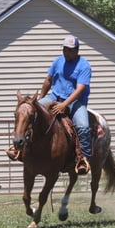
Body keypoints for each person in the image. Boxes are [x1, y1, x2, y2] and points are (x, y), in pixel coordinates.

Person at [37, 35, 92, 175]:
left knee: (83, 126)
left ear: (77, 50)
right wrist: (39, 101)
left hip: (75, 102)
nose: (67, 52)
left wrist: (64, 105)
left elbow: (80, 89)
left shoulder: (84, 66)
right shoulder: (58, 61)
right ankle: (21, 147)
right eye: (65, 49)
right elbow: (48, 80)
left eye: (71, 50)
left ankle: (83, 159)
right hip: (54, 96)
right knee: (31, 112)